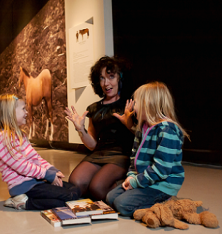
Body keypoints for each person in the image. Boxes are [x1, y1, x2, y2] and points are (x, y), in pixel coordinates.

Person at [106, 81, 189, 217]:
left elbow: (161, 170)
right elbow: (134, 157)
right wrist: (131, 176)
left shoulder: (167, 130)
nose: (133, 108)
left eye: (136, 103)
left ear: (149, 104)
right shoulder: (142, 128)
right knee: (110, 198)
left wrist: (136, 182)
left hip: (163, 184)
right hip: (145, 180)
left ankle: (166, 204)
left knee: (122, 204)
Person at [0, 94, 80, 210]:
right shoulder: (3, 139)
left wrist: (52, 171)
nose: (26, 112)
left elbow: (35, 157)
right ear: (11, 113)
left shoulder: (20, 135)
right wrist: (47, 175)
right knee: (68, 197)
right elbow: (22, 166)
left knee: (75, 189)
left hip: (36, 180)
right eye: (23, 109)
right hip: (24, 186)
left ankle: (30, 198)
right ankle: (23, 202)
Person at [65, 56, 135, 201]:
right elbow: (92, 146)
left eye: (111, 77)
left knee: (97, 188)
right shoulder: (94, 108)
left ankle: (123, 188)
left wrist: (129, 123)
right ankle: (106, 188)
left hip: (121, 155)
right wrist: (80, 129)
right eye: (102, 78)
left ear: (120, 78)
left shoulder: (129, 104)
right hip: (99, 154)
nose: (106, 83)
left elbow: (141, 135)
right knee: (75, 183)